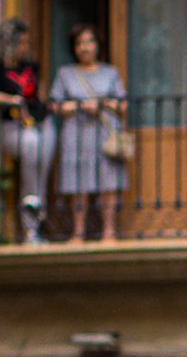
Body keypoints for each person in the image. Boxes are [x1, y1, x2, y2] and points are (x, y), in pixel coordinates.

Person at [0, 17, 54, 243]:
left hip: (40, 122)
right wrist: (12, 100)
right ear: (7, 43)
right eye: (21, 43)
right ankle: (30, 225)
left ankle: (37, 221)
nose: (25, 48)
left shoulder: (31, 65)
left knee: (41, 165)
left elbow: (40, 95)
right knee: (31, 150)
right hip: (13, 126)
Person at [50, 24, 128, 242]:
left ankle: (109, 231)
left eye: (89, 42)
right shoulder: (65, 74)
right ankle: (78, 231)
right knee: (77, 181)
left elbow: (123, 105)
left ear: (97, 45)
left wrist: (102, 103)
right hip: (76, 133)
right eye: (80, 43)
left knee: (108, 179)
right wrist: (80, 106)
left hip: (104, 133)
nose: (85, 48)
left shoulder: (110, 72)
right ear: (74, 48)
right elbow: (55, 105)